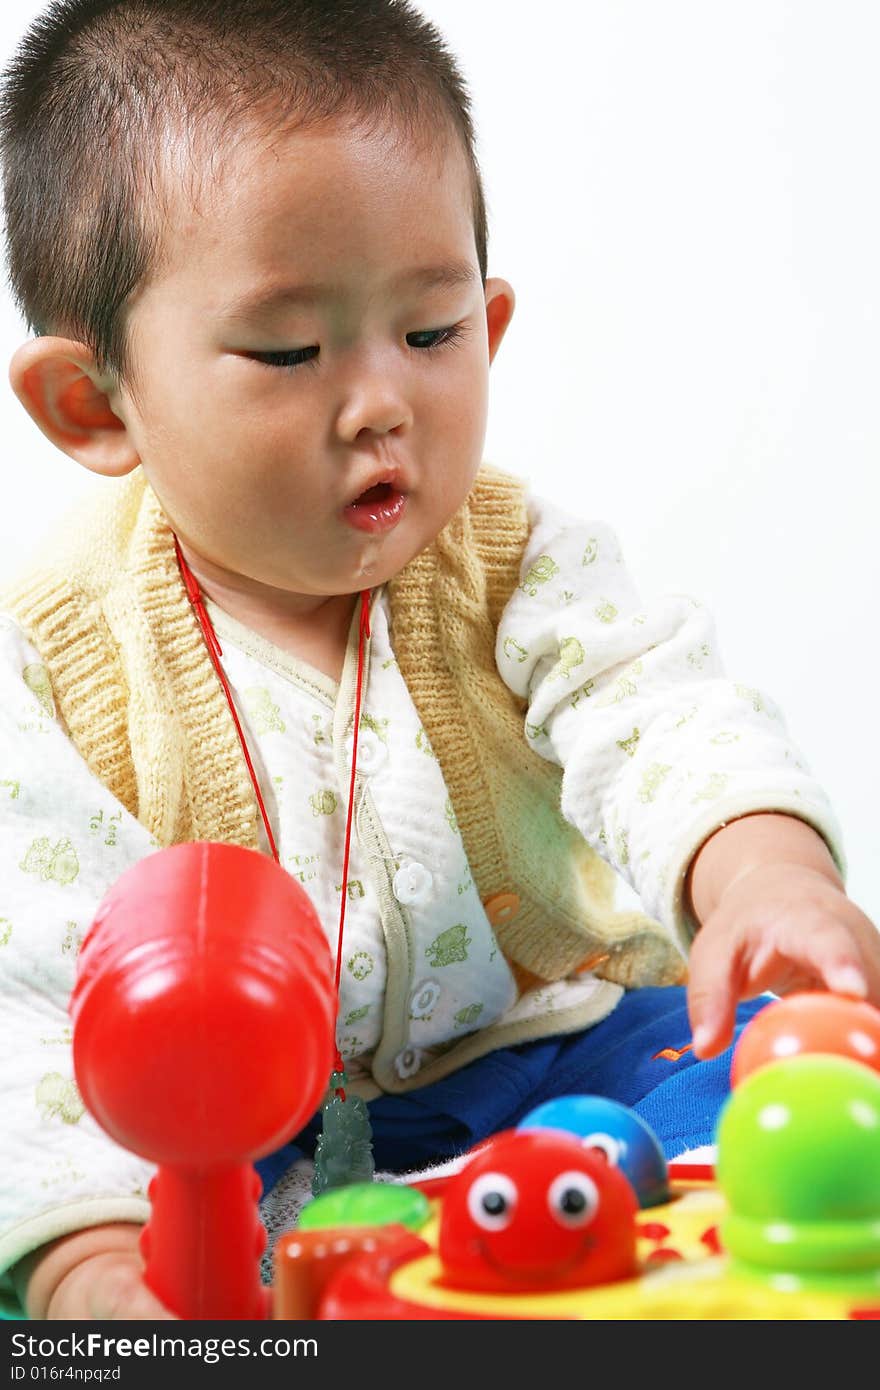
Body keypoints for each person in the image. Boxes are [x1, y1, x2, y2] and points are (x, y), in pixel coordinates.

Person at [0, 0, 877, 1322]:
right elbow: (41, 975)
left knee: (774, 1063)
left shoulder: (517, 560)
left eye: (429, 332)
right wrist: (89, 1250)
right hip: (231, 1150)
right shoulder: (53, 653)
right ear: (95, 400)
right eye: (290, 351)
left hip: (557, 1066)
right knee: (52, 1148)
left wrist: (762, 874)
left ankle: (604, 1198)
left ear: (493, 321)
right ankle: (125, 1282)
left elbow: (655, 709)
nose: (378, 401)